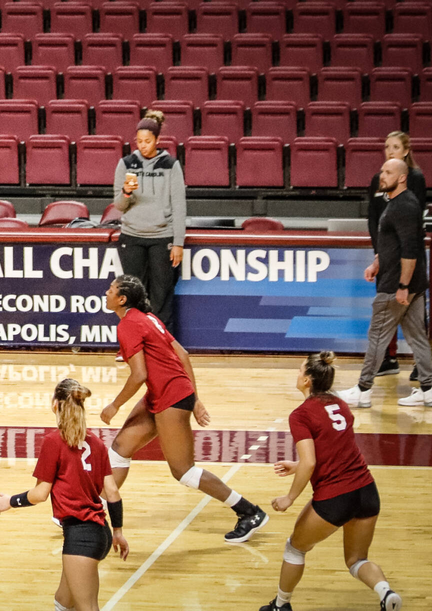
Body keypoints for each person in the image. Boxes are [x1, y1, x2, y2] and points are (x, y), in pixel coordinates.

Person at [100, 274, 269, 543]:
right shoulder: (148, 318)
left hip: (171, 397)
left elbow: (139, 374)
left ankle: (249, 511)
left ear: (122, 299)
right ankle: (90, 511)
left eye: (110, 290)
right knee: (120, 449)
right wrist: (196, 398)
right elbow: (183, 355)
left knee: (184, 471)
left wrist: (115, 405)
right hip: (166, 392)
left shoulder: (129, 325)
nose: (105, 293)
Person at [260, 352, 402, 611]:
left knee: (295, 549)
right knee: (357, 560)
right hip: (367, 491)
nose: (297, 374)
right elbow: (335, 447)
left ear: (307, 381)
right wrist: (297, 466)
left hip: (336, 496)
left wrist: (289, 497)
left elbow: (311, 462)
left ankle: (281, 606)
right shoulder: (340, 404)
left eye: (299, 370)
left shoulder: (301, 415)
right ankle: (386, 592)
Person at [0, 379, 129, 611]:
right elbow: (112, 492)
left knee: (88, 608)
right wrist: (118, 532)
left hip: (81, 536)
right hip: (100, 533)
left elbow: (40, 493)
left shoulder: (53, 442)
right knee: (62, 603)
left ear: (55, 404)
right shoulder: (96, 444)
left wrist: (10, 502)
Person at [337, 158, 432, 409]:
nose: (382, 176)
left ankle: (363, 390)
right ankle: (430, 389)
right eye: (382, 171)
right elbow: (395, 244)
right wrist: (377, 262)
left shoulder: (405, 206)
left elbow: (411, 251)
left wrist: (402, 286)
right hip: (409, 282)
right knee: (417, 337)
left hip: (396, 285)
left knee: (377, 337)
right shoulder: (397, 203)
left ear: (401, 177)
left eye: (388, 172)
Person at [112, 110, 187, 334]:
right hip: (132, 236)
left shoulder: (171, 165)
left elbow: (179, 205)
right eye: (139, 141)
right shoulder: (126, 163)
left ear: (157, 140)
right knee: (132, 294)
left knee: (162, 295)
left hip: (161, 237)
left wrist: (179, 242)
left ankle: (163, 343)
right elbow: (119, 205)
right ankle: (132, 342)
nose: (143, 145)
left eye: (148, 141)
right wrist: (126, 192)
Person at [366, 132, 427, 381]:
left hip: (407, 255)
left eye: (395, 147)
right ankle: (388, 360)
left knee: (413, 313)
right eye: (386, 146)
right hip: (386, 254)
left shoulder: (415, 179)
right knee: (386, 309)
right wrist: (378, 253)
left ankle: (420, 368)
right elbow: (372, 218)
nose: (389, 150)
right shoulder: (377, 180)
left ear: (405, 150)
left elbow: (412, 224)